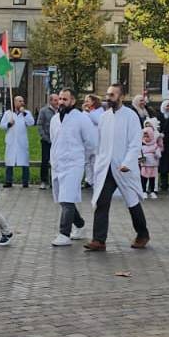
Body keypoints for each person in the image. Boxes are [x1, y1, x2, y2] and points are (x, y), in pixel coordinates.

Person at [85, 83, 150, 252]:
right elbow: (99, 143)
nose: (108, 98)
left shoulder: (131, 116)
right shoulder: (104, 117)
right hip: (106, 167)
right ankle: (99, 240)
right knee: (102, 201)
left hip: (124, 167)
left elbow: (135, 143)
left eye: (112, 95)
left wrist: (127, 163)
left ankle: (142, 234)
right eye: (107, 94)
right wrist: (97, 163)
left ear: (121, 97)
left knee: (132, 201)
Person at [50, 89, 98, 246]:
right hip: (58, 163)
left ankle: (64, 233)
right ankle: (80, 225)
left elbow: (91, 142)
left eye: (65, 99)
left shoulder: (82, 119)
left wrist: (81, 156)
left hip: (74, 164)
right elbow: (54, 140)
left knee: (67, 197)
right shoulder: (55, 119)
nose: (61, 102)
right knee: (63, 200)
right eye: (60, 99)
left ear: (72, 101)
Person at [2, 96, 34, 188]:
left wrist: (24, 113)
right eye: (20, 101)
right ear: (15, 102)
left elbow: (31, 123)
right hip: (11, 141)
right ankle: (8, 181)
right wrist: (9, 124)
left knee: (24, 162)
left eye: (23, 101)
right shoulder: (8, 113)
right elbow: (2, 126)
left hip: (22, 141)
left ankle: (25, 181)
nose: (22, 102)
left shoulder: (26, 113)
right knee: (9, 161)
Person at [36, 98, 56, 190]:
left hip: (58, 141)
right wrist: (45, 137)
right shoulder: (44, 111)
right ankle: (44, 181)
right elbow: (40, 125)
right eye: (55, 100)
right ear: (50, 101)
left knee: (56, 161)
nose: (57, 102)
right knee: (45, 161)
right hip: (47, 140)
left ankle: (54, 181)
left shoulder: (61, 110)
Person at [139, 126, 161, 199]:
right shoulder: (141, 146)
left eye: (147, 137)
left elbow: (159, 155)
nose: (146, 138)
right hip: (145, 166)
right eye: (144, 137)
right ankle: (143, 191)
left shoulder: (155, 146)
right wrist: (140, 159)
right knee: (144, 179)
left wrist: (156, 154)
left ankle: (152, 191)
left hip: (153, 166)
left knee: (152, 179)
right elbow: (138, 155)